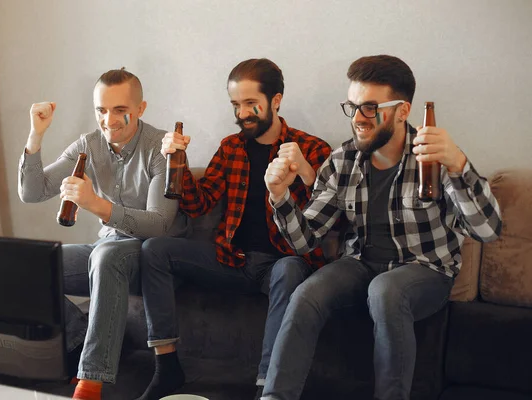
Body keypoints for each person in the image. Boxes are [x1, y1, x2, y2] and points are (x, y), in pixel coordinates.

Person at [262, 55, 502, 400]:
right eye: (353, 106)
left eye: (371, 108)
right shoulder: (342, 161)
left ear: (403, 111)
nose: (358, 118)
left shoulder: (433, 157)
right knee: (306, 293)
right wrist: (280, 195)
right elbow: (305, 239)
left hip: (425, 271)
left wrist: (459, 164)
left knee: (387, 290)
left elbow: (487, 231)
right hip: (360, 264)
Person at [136, 58, 332, 400]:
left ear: (276, 100)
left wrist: (304, 172)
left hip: (282, 263)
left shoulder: (311, 148)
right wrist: (177, 162)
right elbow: (199, 204)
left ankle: (266, 388)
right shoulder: (231, 147)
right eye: (236, 105)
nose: (243, 114)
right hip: (233, 260)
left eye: (251, 104)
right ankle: (167, 367)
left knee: (288, 270)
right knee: (155, 249)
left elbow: (332, 214)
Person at [18, 68, 184, 400]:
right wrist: (36, 136)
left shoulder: (162, 147)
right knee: (32, 265)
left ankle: (90, 383)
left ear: (140, 108)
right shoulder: (88, 145)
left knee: (106, 255)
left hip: (155, 255)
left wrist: (94, 204)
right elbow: (32, 192)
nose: (109, 120)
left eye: (120, 110)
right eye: (101, 110)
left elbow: (158, 224)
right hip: (109, 247)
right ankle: (83, 339)